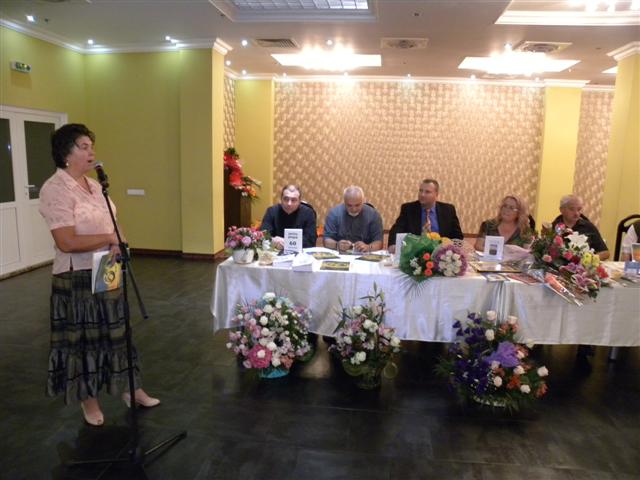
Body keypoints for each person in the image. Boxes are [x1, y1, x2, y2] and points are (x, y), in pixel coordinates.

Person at [39, 123, 159, 427]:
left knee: (116, 331)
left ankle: (131, 389)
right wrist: (108, 238)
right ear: (66, 153)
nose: (91, 152)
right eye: (84, 146)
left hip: (106, 267)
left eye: (92, 146)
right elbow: (65, 241)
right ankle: (88, 400)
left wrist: (118, 243)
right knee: (85, 340)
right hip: (76, 274)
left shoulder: (94, 185)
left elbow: (112, 224)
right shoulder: (55, 189)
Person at [388, 179, 463, 253]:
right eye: (421, 191)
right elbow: (396, 229)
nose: (422, 194)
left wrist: (452, 252)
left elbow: (458, 236)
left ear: (436, 194)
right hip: (415, 253)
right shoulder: (408, 209)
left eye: (427, 192)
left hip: (441, 254)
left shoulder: (448, 210)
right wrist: (393, 245)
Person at [323, 186, 383, 253]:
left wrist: (368, 247)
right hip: (340, 253)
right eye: (349, 205)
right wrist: (337, 245)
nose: (354, 209)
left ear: (363, 201)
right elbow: (326, 240)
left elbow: (379, 242)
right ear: (344, 202)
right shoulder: (334, 214)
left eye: (357, 205)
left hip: (365, 254)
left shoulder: (373, 215)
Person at [552, 194, 609, 260]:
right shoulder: (553, 227)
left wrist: (590, 259)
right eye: (572, 209)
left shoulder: (588, 227)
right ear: (561, 210)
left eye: (579, 209)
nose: (576, 213)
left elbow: (605, 252)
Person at [260, 185, 317, 249]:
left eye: (294, 200)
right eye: (286, 199)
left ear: (299, 201)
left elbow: (311, 241)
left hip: (300, 252)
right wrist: (272, 240)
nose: (289, 203)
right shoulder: (272, 211)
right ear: (281, 199)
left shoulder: (308, 213)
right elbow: (262, 236)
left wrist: (286, 242)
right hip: (275, 250)